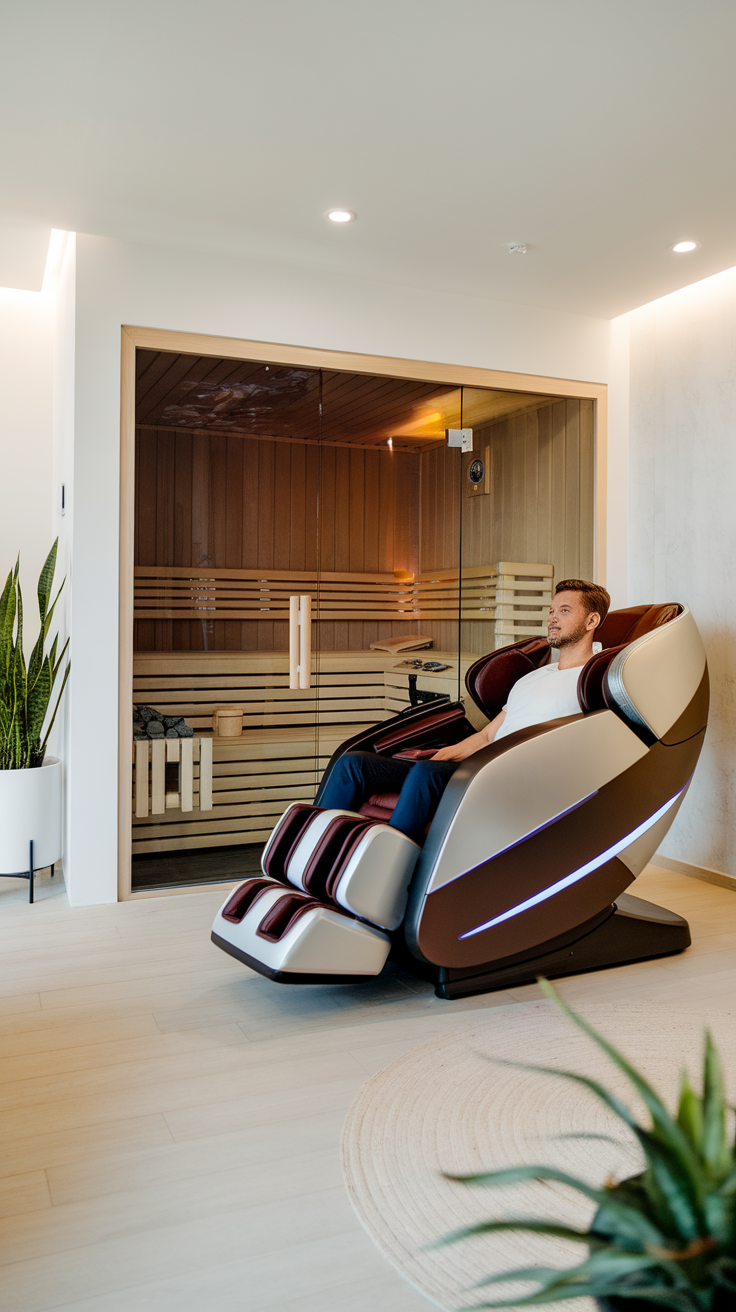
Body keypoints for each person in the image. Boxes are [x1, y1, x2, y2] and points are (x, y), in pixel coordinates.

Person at [318, 579, 611, 842]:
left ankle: (384, 865)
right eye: (551, 611)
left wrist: (432, 765)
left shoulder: (593, 681)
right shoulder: (535, 676)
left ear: (591, 620)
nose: (552, 619)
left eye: (564, 611)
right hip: (476, 765)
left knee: (426, 774)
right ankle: (312, 847)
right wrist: (436, 755)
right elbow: (486, 736)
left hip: (510, 777)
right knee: (353, 763)